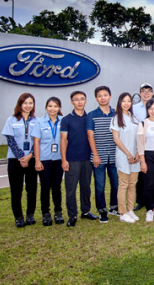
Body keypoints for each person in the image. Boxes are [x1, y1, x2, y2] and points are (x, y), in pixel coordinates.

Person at [61, 91, 98, 227]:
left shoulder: (90, 118)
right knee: (71, 189)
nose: (80, 102)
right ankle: (72, 215)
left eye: (82, 99)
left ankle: (86, 211)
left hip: (87, 159)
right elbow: (63, 140)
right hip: (72, 159)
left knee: (86, 187)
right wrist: (64, 159)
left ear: (86, 101)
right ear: (72, 102)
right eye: (76, 100)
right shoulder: (66, 119)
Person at [2, 93, 38, 228]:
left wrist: (30, 156)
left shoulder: (36, 121)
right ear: (20, 104)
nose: (28, 106)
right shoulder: (11, 120)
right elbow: (10, 140)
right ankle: (18, 217)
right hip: (15, 160)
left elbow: (37, 141)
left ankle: (30, 215)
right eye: (25, 103)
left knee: (32, 189)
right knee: (16, 190)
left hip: (32, 159)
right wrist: (21, 157)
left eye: (31, 103)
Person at [87, 86, 118, 223]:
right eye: (100, 96)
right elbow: (90, 136)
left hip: (115, 155)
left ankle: (114, 206)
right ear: (96, 98)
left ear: (110, 96)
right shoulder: (91, 115)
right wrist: (95, 155)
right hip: (98, 155)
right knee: (100, 185)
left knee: (116, 183)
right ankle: (102, 210)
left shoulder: (116, 114)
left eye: (105, 95)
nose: (103, 98)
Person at [132, 83, 154, 212]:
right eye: (143, 91)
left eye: (149, 91)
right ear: (140, 93)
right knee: (141, 177)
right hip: (138, 145)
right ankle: (141, 201)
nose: (146, 93)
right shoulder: (133, 108)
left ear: (152, 93)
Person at [32, 97, 64, 226]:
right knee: (45, 187)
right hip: (44, 159)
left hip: (58, 159)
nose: (53, 109)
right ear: (46, 107)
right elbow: (36, 142)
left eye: (55, 106)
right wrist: (37, 161)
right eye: (50, 106)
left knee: (57, 186)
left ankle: (58, 212)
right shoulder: (40, 122)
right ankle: (45, 213)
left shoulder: (64, 121)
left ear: (59, 108)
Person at [111, 92, 141, 224]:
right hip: (123, 156)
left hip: (135, 157)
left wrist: (137, 153)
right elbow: (116, 139)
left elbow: (139, 137)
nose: (126, 103)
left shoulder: (134, 118)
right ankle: (122, 212)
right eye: (124, 101)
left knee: (132, 184)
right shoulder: (116, 118)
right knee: (123, 184)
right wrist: (128, 153)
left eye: (129, 101)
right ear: (119, 102)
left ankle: (130, 210)